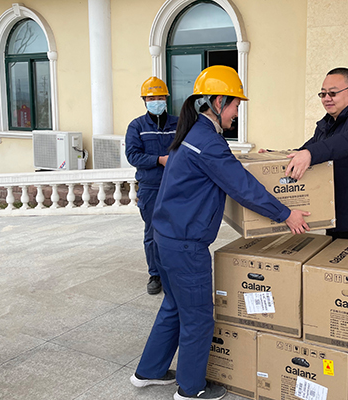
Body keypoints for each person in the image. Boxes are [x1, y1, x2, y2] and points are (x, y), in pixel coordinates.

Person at [129, 65, 310, 400]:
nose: (237, 112)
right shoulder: (207, 141)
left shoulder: (192, 134)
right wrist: (286, 213)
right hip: (185, 246)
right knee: (198, 318)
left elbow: (223, 170)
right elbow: (242, 186)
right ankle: (191, 389)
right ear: (218, 101)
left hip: (166, 239)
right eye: (235, 105)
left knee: (174, 306)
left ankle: (149, 371)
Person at [280, 67, 348, 242]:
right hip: (336, 219)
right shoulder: (328, 124)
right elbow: (305, 151)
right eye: (323, 94)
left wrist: (311, 153)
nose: (327, 98)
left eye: (333, 93)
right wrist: (273, 157)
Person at [125, 77, 178, 295]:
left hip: (176, 186)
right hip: (151, 188)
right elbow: (132, 155)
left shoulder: (178, 124)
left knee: (177, 230)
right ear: (144, 101)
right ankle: (155, 274)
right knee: (153, 232)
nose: (156, 101)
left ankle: (174, 271)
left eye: (159, 97)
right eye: (151, 98)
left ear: (166, 98)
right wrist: (159, 160)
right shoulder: (137, 126)